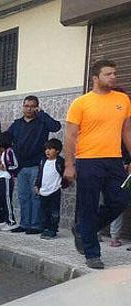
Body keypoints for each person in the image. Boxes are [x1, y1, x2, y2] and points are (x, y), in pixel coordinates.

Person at [63, 60, 131, 269]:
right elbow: (70, 136)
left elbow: (126, 131)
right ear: (95, 78)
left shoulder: (123, 100)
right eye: (108, 74)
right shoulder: (81, 103)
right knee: (88, 205)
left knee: (121, 200)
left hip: (114, 160)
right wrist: (69, 164)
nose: (113, 77)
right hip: (88, 161)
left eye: (114, 73)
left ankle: (83, 229)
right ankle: (92, 253)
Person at [7, 95, 62, 234]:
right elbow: (6, 139)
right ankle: (25, 224)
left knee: (36, 197)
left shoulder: (42, 122)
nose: (29, 108)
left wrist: (42, 113)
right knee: (23, 197)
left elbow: (56, 127)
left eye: (32, 106)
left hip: (37, 166)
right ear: (23, 107)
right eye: (26, 106)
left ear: (36, 107)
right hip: (20, 167)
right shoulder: (17, 124)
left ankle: (36, 225)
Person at [34, 138, 66, 239]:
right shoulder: (43, 161)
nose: (47, 151)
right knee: (44, 211)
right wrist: (37, 185)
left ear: (57, 150)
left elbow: (65, 175)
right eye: (46, 149)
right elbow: (40, 174)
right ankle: (45, 228)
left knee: (54, 212)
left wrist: (62, 185)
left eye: (50, 149)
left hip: (54, 191)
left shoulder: (60, 162)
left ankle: (53, 229)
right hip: (43, 191)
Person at [0, 131, 19, 231]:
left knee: (6, 200)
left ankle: (11, 221)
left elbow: (15, 165)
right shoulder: (2, 153)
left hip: (6, 178)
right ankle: (0, 220)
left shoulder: (10, 151)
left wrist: (4, 167)